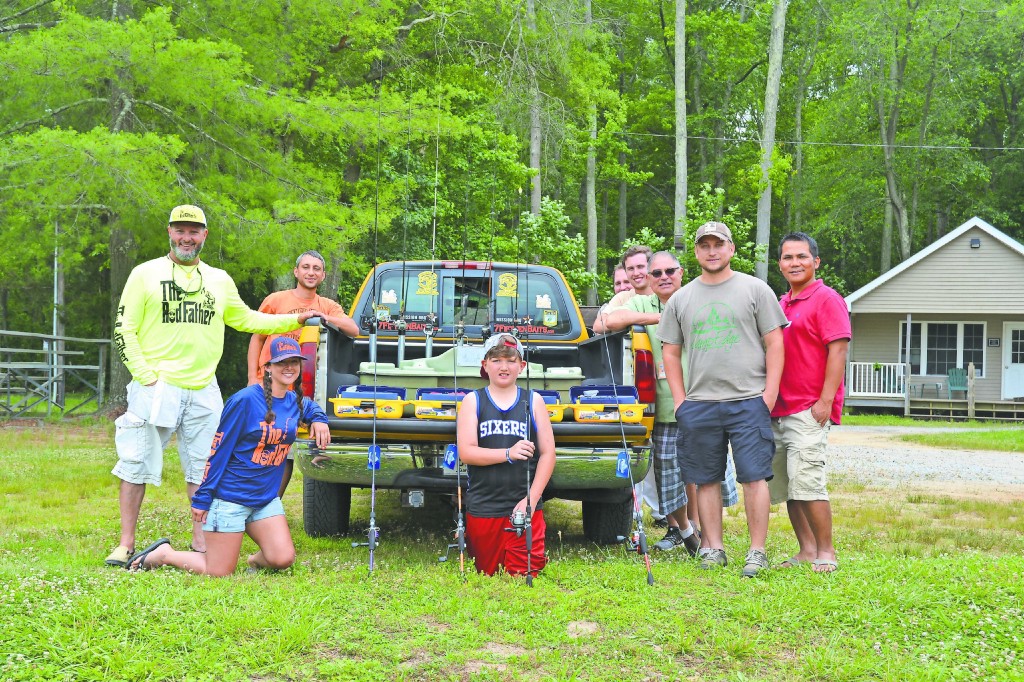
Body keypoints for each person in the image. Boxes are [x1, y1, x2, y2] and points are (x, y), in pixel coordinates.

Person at [106, 205, 321, 568]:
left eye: (194, 231)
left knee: (204, 463)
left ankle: (201, 540)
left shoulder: (219, 279)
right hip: (156, 385)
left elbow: (247, 318)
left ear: (204, 235)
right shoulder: (145, 274)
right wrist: (145, 375)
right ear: (170, 232)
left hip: (204, 386)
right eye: (180, 230)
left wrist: (297, 317)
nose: (186, 237)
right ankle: (126, 543)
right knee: (136, 461)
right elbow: (123, 328)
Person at [126, 337, 331, 575]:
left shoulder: (294, 401)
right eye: (281, 362)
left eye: (294, 362)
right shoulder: (244, 401)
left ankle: (254, 562)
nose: (289, 367)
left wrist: (320, 419)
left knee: (283, 558)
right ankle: (165, 554)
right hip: (230, 498)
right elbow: (218, 452)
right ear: (267, 368)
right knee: (219, 571)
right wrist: (202, 498)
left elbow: (309, 407)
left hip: (264, 500)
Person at [660, 221, 788, 577]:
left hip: (749, 399)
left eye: (719, 244)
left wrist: (770, 394)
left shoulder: (755, 289)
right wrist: (681, 400)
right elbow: (670, 352)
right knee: (705, 478)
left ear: (731, 249)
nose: (712, 251)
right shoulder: (681, 299)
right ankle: (712, 547)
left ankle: (757, 550)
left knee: (754, 477)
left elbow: (775, 341)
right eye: (705, 245)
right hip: (699, 403)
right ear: (697, 252)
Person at [600, 251, 738, 553]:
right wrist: (660, 318)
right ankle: (686, 531)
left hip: (706, 402)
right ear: (649, 279)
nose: (664, 277)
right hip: (664, 409)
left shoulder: (699, 297)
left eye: (670, 272)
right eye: (657, 273)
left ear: (681, 272)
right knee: (668, 478)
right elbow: (608, 321)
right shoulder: (641, 303)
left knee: (707, 474)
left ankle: (708, 538)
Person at [769, 232, 850, 573]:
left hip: (808, 408)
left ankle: (826, 551)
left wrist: (825, 401)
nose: (795, 263)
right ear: (780, 265)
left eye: (802, 257)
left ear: (815, 262)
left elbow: (839, 350)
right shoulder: (781, 304)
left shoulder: (827, 299)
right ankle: (805, 549)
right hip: (778, 409)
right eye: (788, 258)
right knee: (789, 486)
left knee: (809, 484)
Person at [247, 250, 358, 497]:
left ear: (323, 275)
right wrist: (250, 379)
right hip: (265, 384)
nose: (311, 272)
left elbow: (353, 329)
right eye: (305, 267)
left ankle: (271, 503)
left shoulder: (327, 305)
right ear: (296, 272)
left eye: (316, 269)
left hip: (297, 391)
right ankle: (248, 497)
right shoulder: (275, 300)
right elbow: (257, 338)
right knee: (258, 441)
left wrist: (324, 317)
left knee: (284, 448)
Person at [456, 334, 556, 577]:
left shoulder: (534, 400)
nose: (504, 367)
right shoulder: (472, 401)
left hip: (524, 506)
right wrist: (508, 453)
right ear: (485, 365)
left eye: (511, 361)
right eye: (497, 359)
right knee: (487, 573)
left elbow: (548, 453)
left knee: (524, 575)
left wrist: (531, 500)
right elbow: (466, 452)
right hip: (484, 506)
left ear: (522, 366)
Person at [593, 245, 653, 334]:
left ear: (651, 267)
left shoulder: (662, 293)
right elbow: (598, 326)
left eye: (640, 267)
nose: (636, 273)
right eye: (630, 268)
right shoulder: (622, 297)